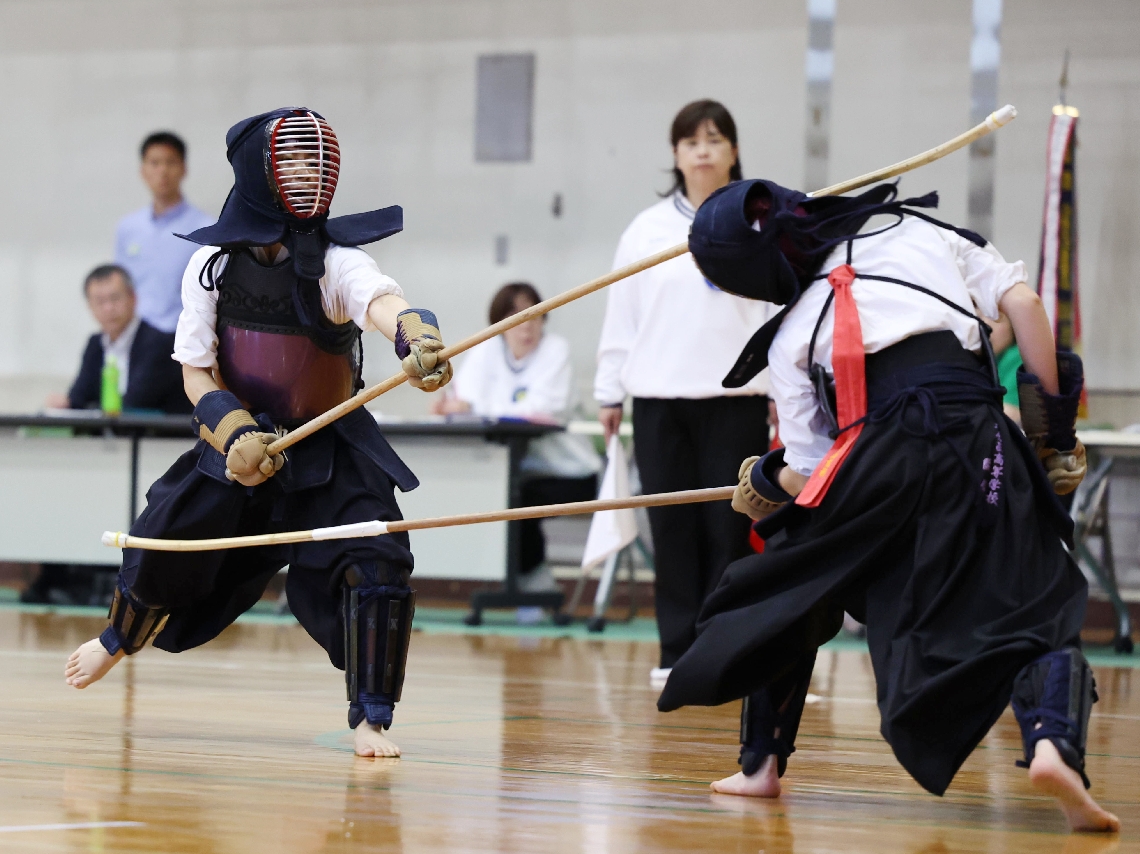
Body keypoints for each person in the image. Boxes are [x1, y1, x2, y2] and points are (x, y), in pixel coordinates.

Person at [656, 177, 1117, 833]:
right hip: (980, 441)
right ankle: (1053, 744)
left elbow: (812, 474)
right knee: (1034, 596)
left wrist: (763, 480)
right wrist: (1054, 439)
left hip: (879, 460)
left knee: (799, 571)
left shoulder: (790, 336)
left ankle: (760, 765)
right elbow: (1028, 306)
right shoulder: (919, 231)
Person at [65, 107, 454, 762]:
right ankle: (116, 639)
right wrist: (231, 429)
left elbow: (378, 299)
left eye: (314, 161)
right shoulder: (210, 267)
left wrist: (412, 332)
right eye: (292, 162)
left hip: (330, 446)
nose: (307, 174)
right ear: (258, 174)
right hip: (239, 438)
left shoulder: (337, 261)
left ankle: (372, 717)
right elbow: (195, 369)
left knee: (375, 566)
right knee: (166, 534)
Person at [594, 100, 776, 684]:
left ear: (734, 150)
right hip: (658, 402)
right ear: (675, 154)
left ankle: (726, 648)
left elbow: (784, 308)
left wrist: (788, 390)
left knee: (729, 528)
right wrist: (608, 392)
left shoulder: (762, 222)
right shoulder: (646, 230)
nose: (703, 149)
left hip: (737, 400)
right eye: (691, 140)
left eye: (715, 138)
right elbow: (621, 314)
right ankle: (676, 650)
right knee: (672, 529)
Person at [433, 283, 602, 600]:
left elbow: (542, 410)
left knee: (515, 496)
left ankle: (535, 587)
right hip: (516, 468)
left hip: (571, 473)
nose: (526, 324)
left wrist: (476, 407)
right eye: (516, 315)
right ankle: (515, 583)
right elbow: (462, 402)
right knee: (495, 490)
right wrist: (458, 407)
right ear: (500, 323)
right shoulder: (486, 351)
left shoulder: (556, 350)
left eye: (534, 315)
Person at [47, 264, 190, 414]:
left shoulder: (159, 343)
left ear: (133, 298)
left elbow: (137, 401)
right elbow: (79, 397)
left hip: (159, 435)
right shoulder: (95, 344)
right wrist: (65, 403)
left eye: (115, 299)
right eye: (100, 301)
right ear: (89, 306)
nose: (108, 308)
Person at [115, 132, 212, 333]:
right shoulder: (128, 228)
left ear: (184, 169)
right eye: (154, 163)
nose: (163, 171)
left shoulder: (206, 229)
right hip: (136, 337)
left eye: (171, 162)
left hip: (183, 337)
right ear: (142, 170)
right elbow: (121, 288)